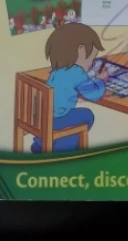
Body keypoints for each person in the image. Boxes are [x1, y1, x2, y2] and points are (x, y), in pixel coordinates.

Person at [33, 23, 109, 152]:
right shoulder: (77, 72)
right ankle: (63, 150)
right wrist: (101, 80)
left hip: (41, 119)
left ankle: (40, 145)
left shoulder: (57, 70)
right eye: (92, 60)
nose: (92, 65)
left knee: (74, 115)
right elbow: (94, 94)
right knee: (87, 115)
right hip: (56, 121)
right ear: (81, 51)